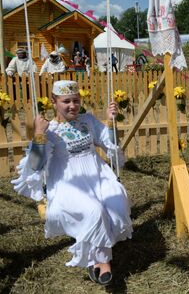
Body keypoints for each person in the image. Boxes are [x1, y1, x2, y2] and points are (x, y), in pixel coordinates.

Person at [11, 80, 132, 285]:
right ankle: (103, 262)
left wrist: (111, 121)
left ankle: (94, 257)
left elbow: (109, 143)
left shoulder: (88, 120)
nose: (72, 105)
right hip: (68, 181)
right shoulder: (50, 130)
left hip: (96, 174)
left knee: (117, 204)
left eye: (76, 100)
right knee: (94, 211)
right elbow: (35, 164)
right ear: (54, 102)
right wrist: (39, 134)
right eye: (66, 101)